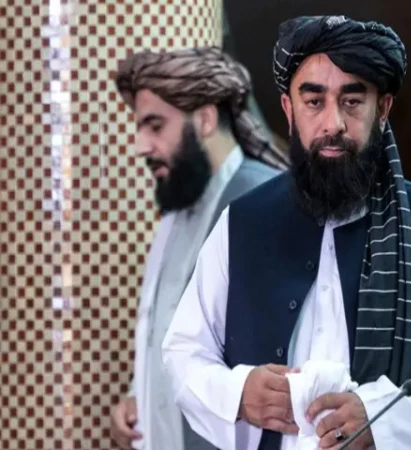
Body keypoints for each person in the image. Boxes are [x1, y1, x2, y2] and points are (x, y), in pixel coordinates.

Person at [162, 15, 411, 450]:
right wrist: (238, 393)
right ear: (289, 109)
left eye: (352, 101)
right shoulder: (242, 223)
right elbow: (183, 351)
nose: (333, 124)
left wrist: (382, 417)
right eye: (314, 101)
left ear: (382, 109)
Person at [109, 47, 286, 450]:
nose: (141, 146)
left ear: (205, 119)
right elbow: (173, 336)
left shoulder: (261, 201)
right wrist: (141, 396)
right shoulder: (177, 212)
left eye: (155, 126)